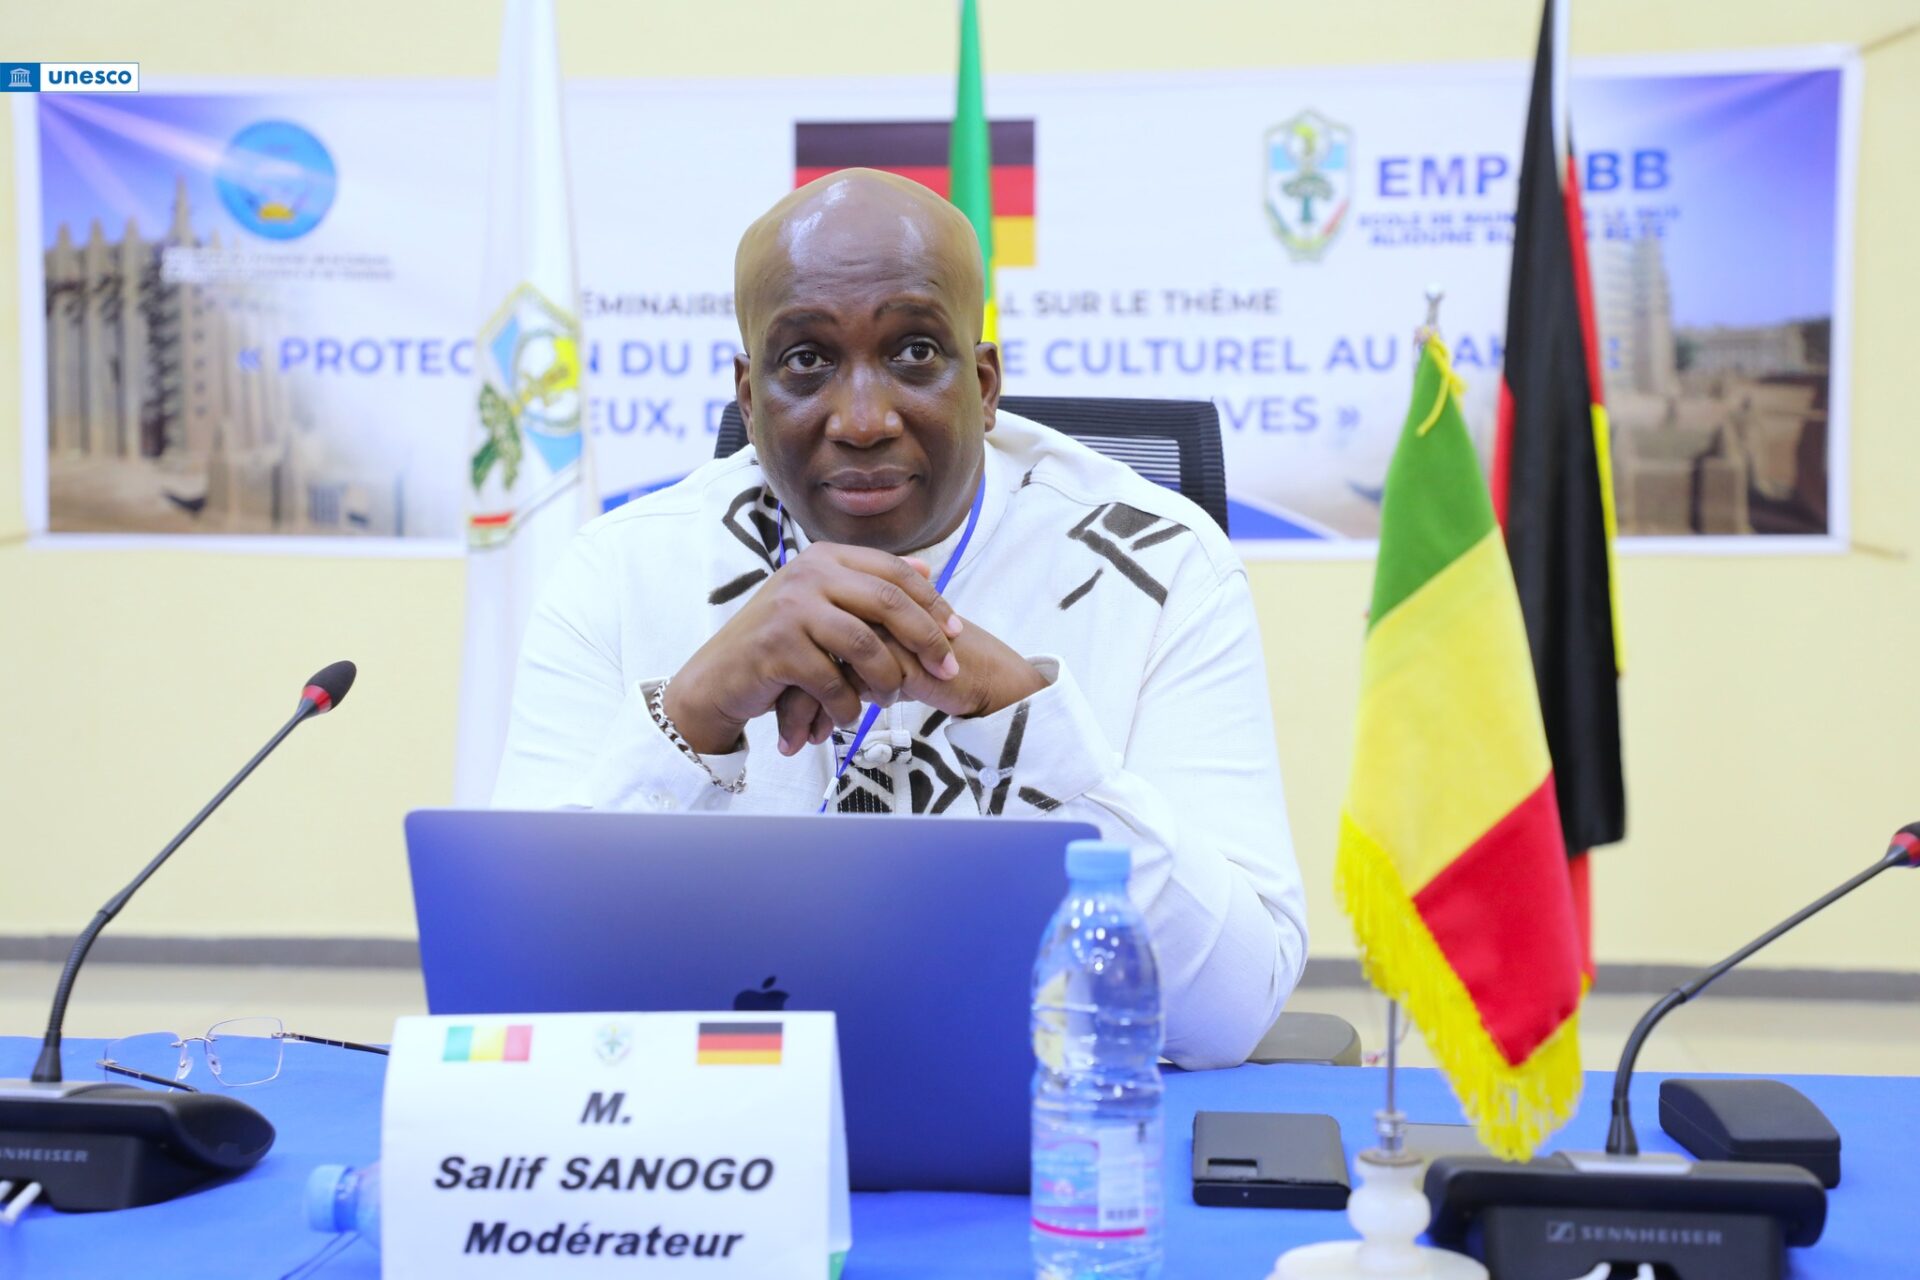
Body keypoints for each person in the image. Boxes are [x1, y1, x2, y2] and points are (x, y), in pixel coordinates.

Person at [494, 169, 1306, 1069]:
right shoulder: (623, 568)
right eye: (807, 361)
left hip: (1042, 1116)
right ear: (748, 399)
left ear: (985, 384)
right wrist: (691, 715)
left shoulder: (1159, 566)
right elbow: (520, 988)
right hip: (719, 1114)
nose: (864, 419)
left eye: (915, 352)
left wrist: (1021, 718)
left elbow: (1230, 1010)